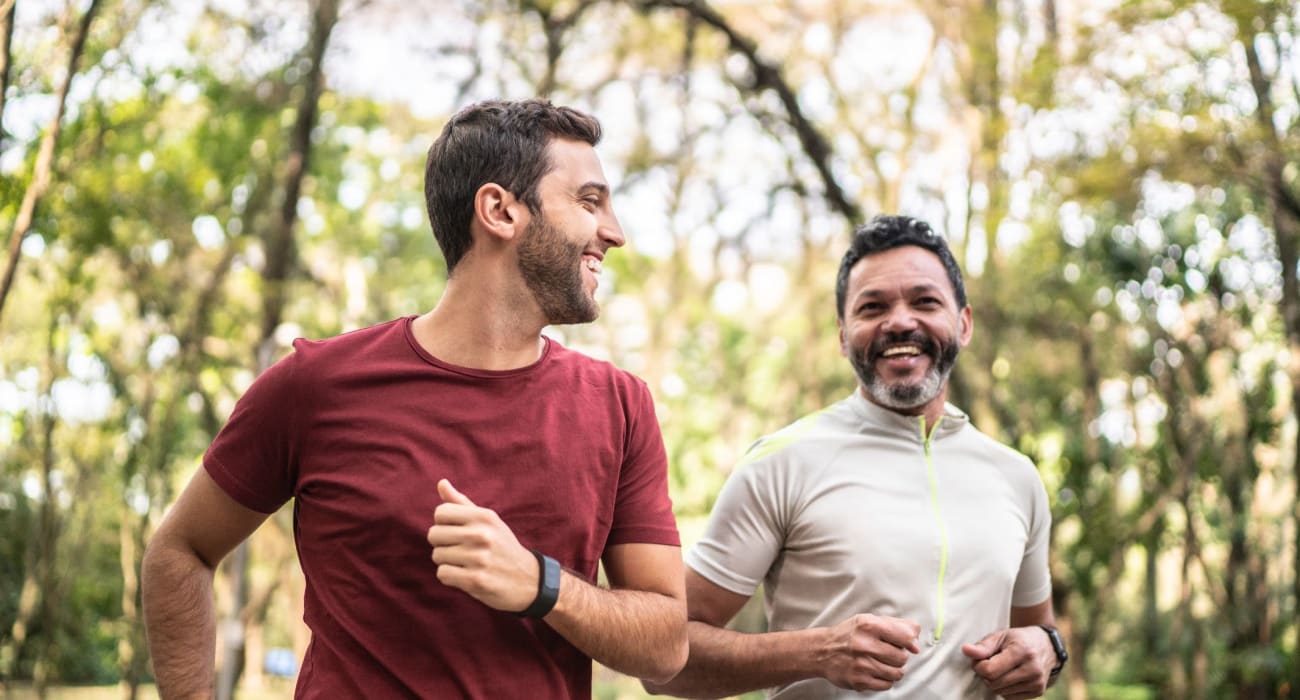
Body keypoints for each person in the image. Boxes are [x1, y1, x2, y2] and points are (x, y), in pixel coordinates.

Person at [141, 98, 688, 699]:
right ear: (500, 211)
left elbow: (665, 646)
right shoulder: (316, 386)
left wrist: (541, 584)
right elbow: (181, 550)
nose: (615, 232)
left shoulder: (621, 406)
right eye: (589, 202)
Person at [645, 215, 1066, 699]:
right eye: (873, 307)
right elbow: (662, 663)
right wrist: (817, 653)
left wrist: (1048, 648)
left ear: (964, 324)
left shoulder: (1016, 476)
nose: (901, 321)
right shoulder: (781, 463)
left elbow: (1038, 636)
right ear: (844, 335)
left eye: (925, 301)